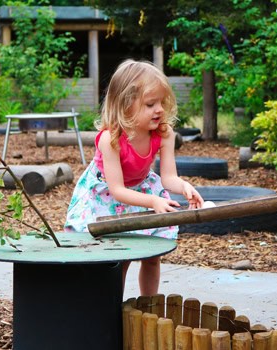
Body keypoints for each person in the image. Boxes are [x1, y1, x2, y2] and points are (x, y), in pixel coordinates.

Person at [64, 59, 204, 296]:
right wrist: (153, 202)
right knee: (122, 258)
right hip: (106, 194)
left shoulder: (163, 133)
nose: (159, 109)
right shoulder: (110, 139)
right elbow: (117, 190)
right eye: (150, 104)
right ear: (125, 105)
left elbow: (168, 177)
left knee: (152, 255)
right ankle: (112, 311)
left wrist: (185, 187)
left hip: (142, 188)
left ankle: (149, 306)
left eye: (161, 102)